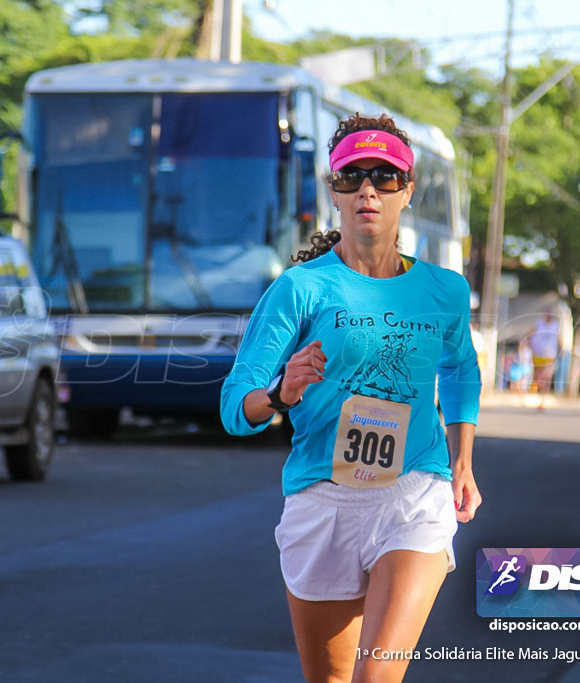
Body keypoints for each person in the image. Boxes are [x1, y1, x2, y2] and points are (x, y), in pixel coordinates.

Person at [220, 113, 482, 683]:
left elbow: (460, 369)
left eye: (385, 177)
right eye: (352, 176)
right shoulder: (299, 289)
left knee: (375, 679)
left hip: (416, 493)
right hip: (323, 500)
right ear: (333, 191)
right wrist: (280, 393)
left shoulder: (444, 290)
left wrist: (462, 462)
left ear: (407, 190)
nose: (368, 189)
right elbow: (235, 406)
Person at [528, 311, 561, 409]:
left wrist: (561, 349)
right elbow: (529, 334)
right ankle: (537, 392)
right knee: (538, 378)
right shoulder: (539, 323)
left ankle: (542, 401)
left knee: (547, 378)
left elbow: (559, 339)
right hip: (538, 355)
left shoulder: (555, 326)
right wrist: (530, 346)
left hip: (549, 356)